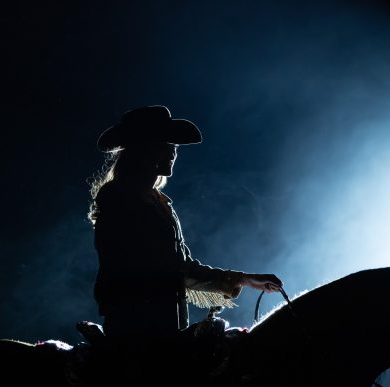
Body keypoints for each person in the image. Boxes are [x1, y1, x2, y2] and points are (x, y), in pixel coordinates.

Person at [88, 105, 283, 341]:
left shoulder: (157, 203)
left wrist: (245, 279)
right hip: (138, 333)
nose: (172, 153)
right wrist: (243, 278)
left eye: (174, 147)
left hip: (165, 327)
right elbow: (172, 270)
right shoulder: (123, 203)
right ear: (144, 150)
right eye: (165, 145)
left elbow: (179, 267)